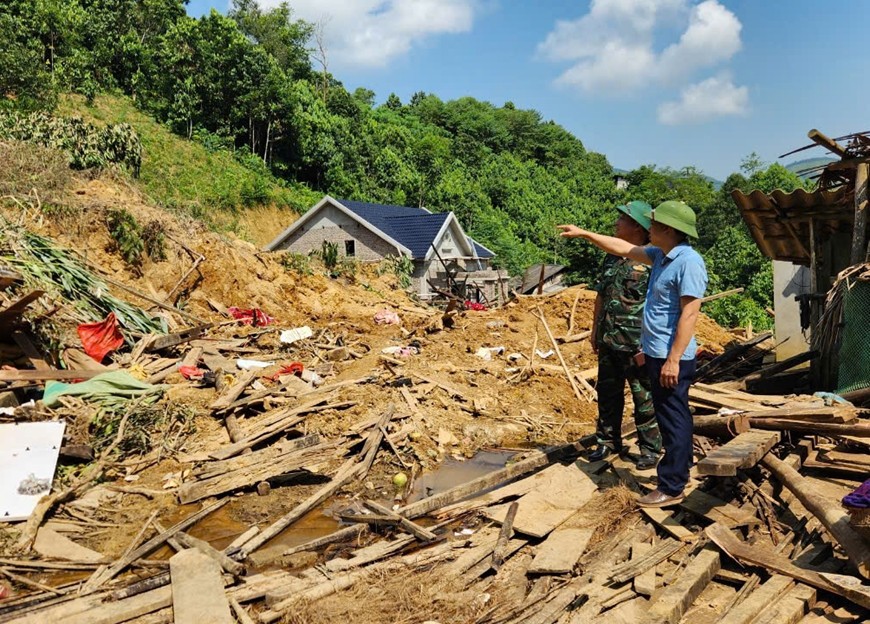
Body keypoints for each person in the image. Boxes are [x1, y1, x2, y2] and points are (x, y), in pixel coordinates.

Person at [557, 200, 707, 508]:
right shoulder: (659, 256)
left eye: (653, 224)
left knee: (672, 418)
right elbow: (622, 248)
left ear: (669, 229)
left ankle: (672, 485)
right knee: (669, 417)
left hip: (670, 355)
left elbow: (690, 314)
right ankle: (677, 474)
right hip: (656, 352)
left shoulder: (688, 261)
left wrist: (674, 359)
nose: (648, 228)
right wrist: (584, 233)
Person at [588, 201, 661, 470]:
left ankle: (650, 449)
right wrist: (595, 329)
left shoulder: (655, 259)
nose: (616, 223)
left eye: (622, 219)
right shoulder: (611, 256)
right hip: (609, 339)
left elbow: (660, 304)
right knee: (608, 394)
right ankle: (607, 442)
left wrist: (651, 342)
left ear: (638, 227)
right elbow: (601, 294)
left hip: (636, 343)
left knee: (644, 398)